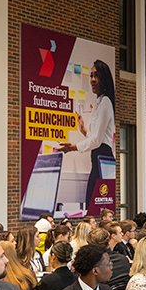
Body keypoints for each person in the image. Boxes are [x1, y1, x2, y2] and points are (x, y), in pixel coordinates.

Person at [55, 59, 116, 210]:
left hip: (103, 158)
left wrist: (73, 147)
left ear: (105, 78)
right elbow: (96, 136)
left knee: (95, 206)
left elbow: (97, 140)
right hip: (98, 157)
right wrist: (83, 130)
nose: (93, 80)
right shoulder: (100, 102)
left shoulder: (106, 102)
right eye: (91, 76)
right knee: (93, 205)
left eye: (97, 76)